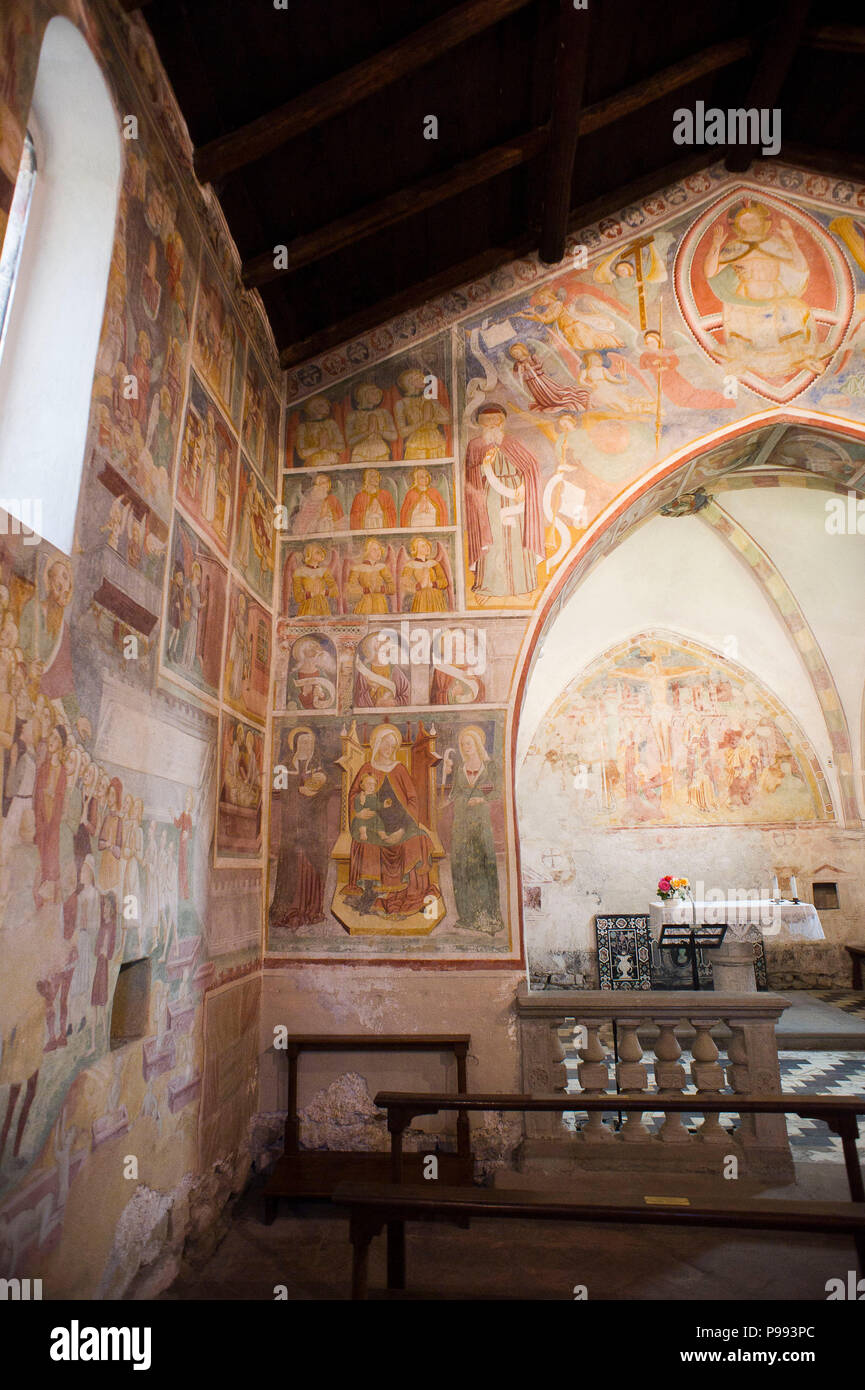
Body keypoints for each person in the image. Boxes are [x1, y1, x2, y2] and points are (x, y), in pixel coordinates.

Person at [463, 403, 543, 598]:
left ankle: (522, 585)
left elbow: (530, 466)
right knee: (493, 538)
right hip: (490, 496)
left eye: (495, 419)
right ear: (480, 423)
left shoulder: (512, 442)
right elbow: (470, 474)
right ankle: (490, 586)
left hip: (516, 494)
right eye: (486, 420)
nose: (491, 424)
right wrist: (483, 466)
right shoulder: (475, 445)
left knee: (517, 537)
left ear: (502, 421)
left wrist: (524, 487)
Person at [441, 726, 503, 934]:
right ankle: (467, 916)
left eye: (469, 743)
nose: (466, 747)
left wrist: (481, 798)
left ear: (477, 744)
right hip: (461, 822)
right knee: (461, 864)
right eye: (463, 744)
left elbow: (496, 790)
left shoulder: (489, 766)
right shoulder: (460, 768)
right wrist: (447, 799)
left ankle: (488, 916)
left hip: (480, 821)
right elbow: (456, 792)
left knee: (482, 865)